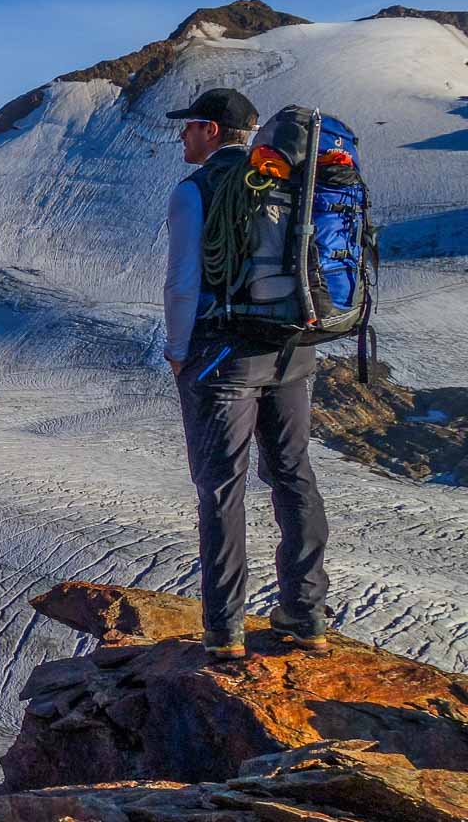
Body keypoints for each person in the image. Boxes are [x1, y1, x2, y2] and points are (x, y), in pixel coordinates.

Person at [163, 87, 330, 660]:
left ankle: (224, 629)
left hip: (222, 358)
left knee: (221, 488)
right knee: (292, 474)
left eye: (188, 127)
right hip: (291, 350)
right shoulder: (286, 183)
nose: (182, 136)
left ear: (211, 130)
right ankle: (305, 614)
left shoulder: (197, 190)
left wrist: (179, 352)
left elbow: (184, 281)